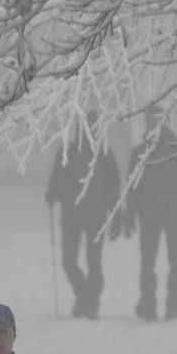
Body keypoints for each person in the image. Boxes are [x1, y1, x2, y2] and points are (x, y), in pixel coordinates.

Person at [45, 111, 121, 319]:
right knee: (78, 261)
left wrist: (52, 195)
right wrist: (52, 193)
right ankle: (87, 298)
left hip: (84, 215)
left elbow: (113, 187)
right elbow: (56, 181)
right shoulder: (77, 151)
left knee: (84, 261)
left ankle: (87, 300)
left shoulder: (100, 153)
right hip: (84, 215)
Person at [126, 105, 177, 320]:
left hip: (161, 213)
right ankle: (158, 305)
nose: (152, 124)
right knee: (159, 260)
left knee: (162, 260)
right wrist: (131, 212)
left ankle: (160, 305)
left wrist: (133, 209)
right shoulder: (148, 151)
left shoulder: (172, 149)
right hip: (160, 213)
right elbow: (132, 184)